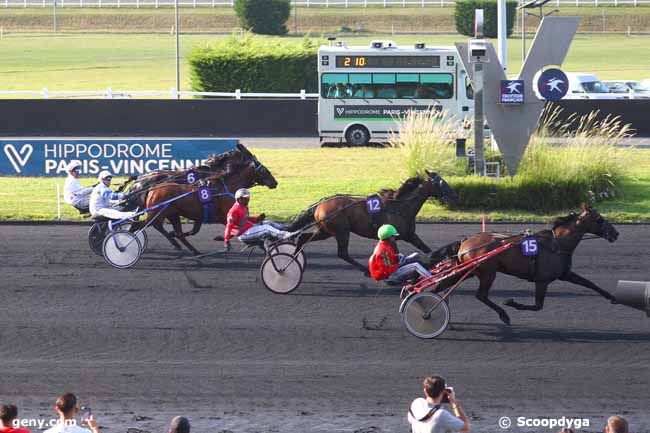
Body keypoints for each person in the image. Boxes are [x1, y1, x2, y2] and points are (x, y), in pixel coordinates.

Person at [223, 188, 293, 250]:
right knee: (266, 228)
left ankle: (286, 228)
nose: (248, 200)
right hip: (244, 234)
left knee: (268, 222)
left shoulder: (244, 207)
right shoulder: (233, 211)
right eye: (245, 198)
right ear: (239, 199)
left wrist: (257, 218)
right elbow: (229, 226)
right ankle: (285, 235)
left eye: (248, 198)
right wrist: (226, 240)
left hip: (250, 228)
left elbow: (246, 218)